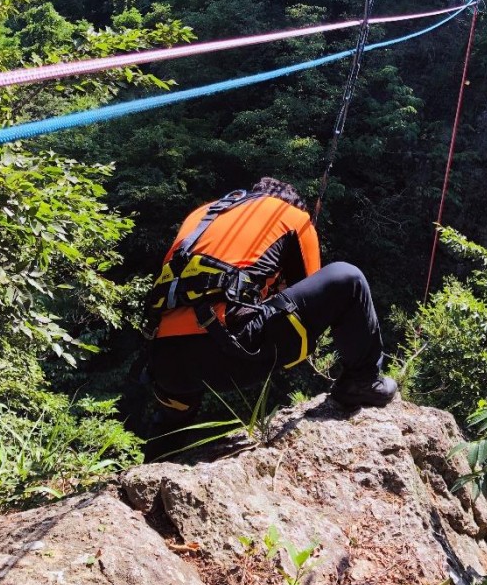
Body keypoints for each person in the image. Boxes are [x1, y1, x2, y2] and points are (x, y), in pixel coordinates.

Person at [144, 177, 398, 441]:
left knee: (174, 411)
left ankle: (164, 444)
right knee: (347, 278)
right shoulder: (293, 215)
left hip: (162, 363)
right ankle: (362, 380)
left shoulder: (203, 214)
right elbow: (312, 290)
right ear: (294, 202)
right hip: (230, 350)